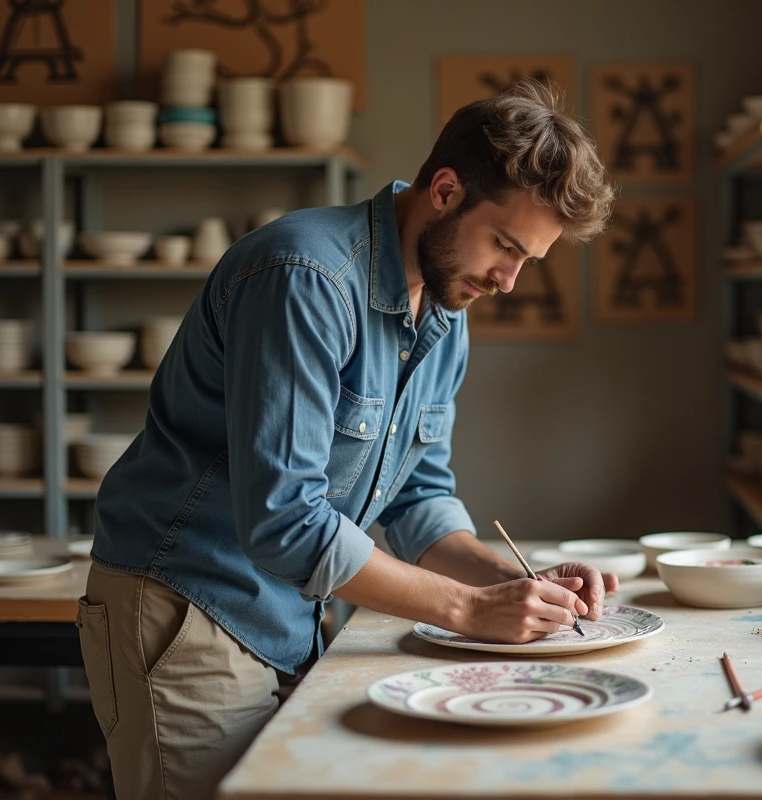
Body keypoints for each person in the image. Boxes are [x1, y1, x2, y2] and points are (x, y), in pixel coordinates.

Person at [76, 80, 618, 800]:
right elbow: (285, 520)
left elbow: (420, 496)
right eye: (506, 246)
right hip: (187, 606)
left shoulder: (445, 310)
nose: (509, 281)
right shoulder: (304, 277)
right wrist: (465, 611)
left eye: (529, 261)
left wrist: (506, 583)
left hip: (288, 616)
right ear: (447, 190)